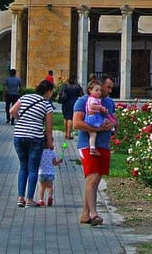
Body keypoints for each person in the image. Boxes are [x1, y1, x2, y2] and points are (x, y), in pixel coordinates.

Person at [73, 74, 116, 226]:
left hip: (103, 145)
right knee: (92, 177)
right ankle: (94, 214)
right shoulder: (83, 101)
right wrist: (97, 129)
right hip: (87, 145)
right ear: (99, 86)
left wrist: (112, 124)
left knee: (96, 180)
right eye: (107, 87)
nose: (109, 91)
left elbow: (114, 119)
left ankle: (85, 214)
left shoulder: (109, 102)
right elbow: (77, 123)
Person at [9, 79, 55, 208]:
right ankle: (29, 199)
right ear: (48, 91)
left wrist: (21, 120)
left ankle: (20, 198)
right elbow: (49, 128)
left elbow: (12, 111)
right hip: (35, 138)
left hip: (19, 136)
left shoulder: (25, 97)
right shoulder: (47, 105)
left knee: (23, 166)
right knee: (33, 168)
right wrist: (50, 142)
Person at [83, 80, 116, 155]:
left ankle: (92, 148)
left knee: (93, 134)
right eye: (96, 90)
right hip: (94, 118)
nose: (99, 92)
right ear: (90, 90)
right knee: (107, 121)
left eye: (100, 90)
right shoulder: (92, 99)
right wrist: (101, 107)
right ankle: (112, 130)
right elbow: (92, 106)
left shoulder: (94, 99)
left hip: (89, 118)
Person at [58, 74, 83, 139]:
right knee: (70, 118)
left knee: (65, 117)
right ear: (75, 79)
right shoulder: (77, 86)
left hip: (65, 103)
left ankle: (66, 133)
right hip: (73, 103)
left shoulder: (65, 85)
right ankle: (69, 134)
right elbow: (81, 94)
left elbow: (60, 93)